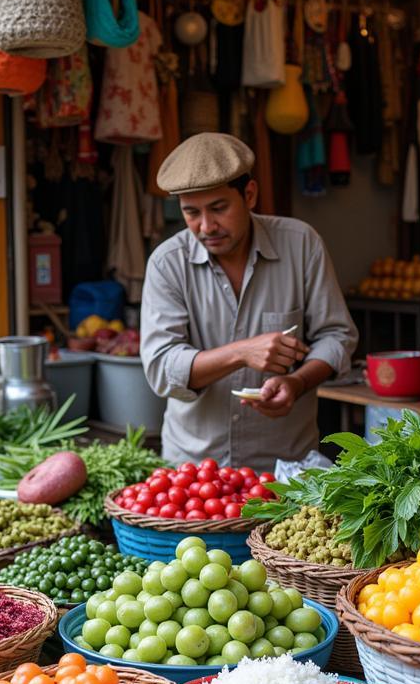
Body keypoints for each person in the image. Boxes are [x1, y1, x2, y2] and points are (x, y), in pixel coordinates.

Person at [140, 132, 357, 470]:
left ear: (250, 194)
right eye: (191, 212)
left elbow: (337, 336)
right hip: (194, 474)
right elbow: (161, 368)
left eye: (219, 208)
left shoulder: (301, 244)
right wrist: (242, 352)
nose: (206, 226)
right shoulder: (167, 263)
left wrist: (297, 382)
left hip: (287, 466)